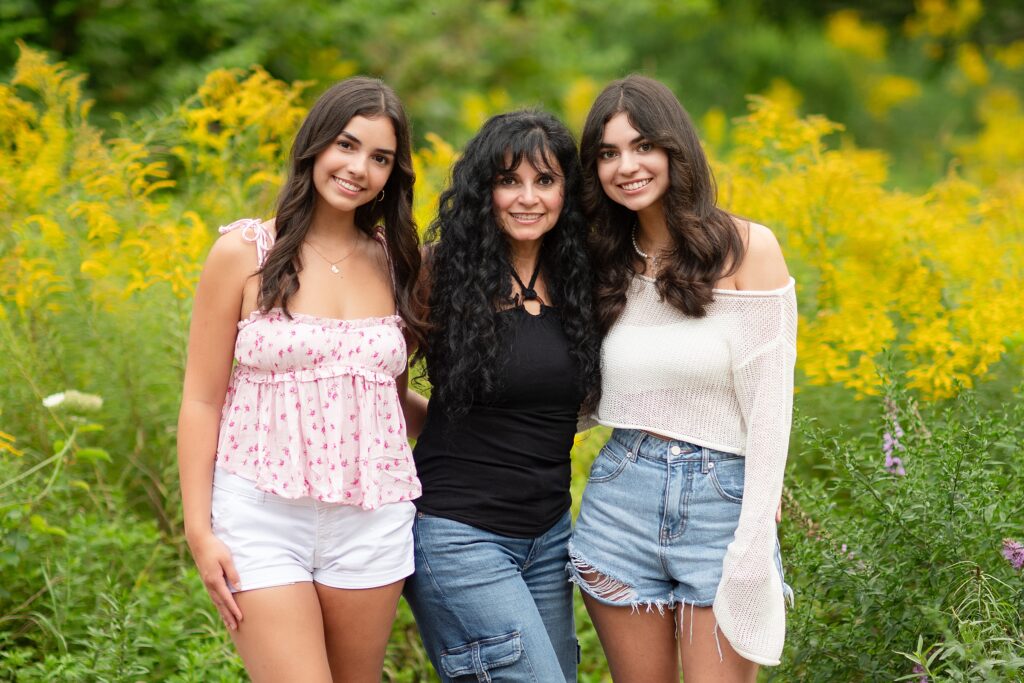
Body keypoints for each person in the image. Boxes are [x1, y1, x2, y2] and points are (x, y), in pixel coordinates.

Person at [177, 76, 425, 682]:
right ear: (315, 144)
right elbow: (201, 399)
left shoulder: (398, 263)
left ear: (393, 173)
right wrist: (198, 529)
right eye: (347, 144)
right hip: (260, 515)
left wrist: (492, 422)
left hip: (371, 519)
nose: (358, 168)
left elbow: (387, 401)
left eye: (380, 158)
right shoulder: (244, 252)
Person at [567, 75, 796, 682]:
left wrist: (753, 533)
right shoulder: (600, 263)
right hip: (620, 499)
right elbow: (579, 397)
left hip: (724, 502)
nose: (627, 166)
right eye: (608, 154)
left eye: (643, 146)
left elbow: (771, 407)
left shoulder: (748, 249)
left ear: (675, 149)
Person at [401, 110, 601, 682]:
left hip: (549, 536)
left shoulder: (584, 278)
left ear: (568, 188)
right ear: (482, 189)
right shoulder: (440, 275)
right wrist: (445, 425)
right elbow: (381, 384)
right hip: (458, 536)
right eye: (508, 180)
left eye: (545, 180)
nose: (527, 198)